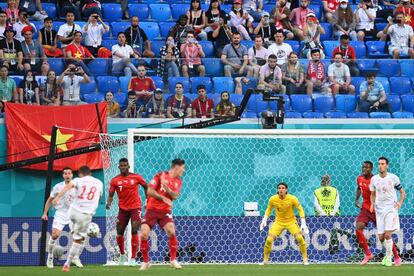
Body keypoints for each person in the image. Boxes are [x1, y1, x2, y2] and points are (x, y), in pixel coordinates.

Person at [52, 165, 103, 272]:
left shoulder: (78, 180)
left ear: (80, 174)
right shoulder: (99, 183)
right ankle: (67, 263)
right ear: (90, 173)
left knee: (77, 236)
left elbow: (67, 186)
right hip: (85, 215)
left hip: (72, 212)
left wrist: (57, 197)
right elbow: (99, 197)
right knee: (78, 240)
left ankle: (74, 234)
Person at [139, 159, 186, 271]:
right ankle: (146, 262)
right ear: (176, 167)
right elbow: (149, 191)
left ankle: (173, 260)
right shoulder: (160, 175)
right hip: (151, 209)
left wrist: (167, 188)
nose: (183, 170)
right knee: (144, 234)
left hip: (165, 211)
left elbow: (175, 196)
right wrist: (163, 197)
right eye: (183, 168)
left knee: (171, 231)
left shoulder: (178, 181)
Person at [355, 161, 401, 266]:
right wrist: (356, 200)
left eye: (367, 167)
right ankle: (368, 254)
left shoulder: (375, 179)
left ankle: (396, 256)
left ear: (371, 169)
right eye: (363, 167)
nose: (364, 169)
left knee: (385, 236)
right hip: (366, 209)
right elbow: (359, 188)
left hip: (377, 210)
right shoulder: (359, 178)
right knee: (358, 227)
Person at [106, 158, 147, 266]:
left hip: (135, 208)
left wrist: (147, 200)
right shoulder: (114, 180)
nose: (123, 167)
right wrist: (109, 203)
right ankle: (122, 255)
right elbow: (111, 195)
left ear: (128, 166)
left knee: (134, 229)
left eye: (125, 165)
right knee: (119, 233)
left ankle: (133, 258)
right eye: (121, 166)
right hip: (123, 209)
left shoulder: (136, 177)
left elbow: (146, 187)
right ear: (119, 167)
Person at [41, 167, 83, 269]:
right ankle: (50, 256)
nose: (67, 175)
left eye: (69, 173)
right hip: (61, 213)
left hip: (73, 214)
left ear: (72, 175)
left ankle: (76, 257)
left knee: (79, 237)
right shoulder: (58, 187)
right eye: (65, 173)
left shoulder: (77, 186)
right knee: (55, 235)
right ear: (63, 175)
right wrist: (45, 213)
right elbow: (49, 200)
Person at [259, 182, 309, 265]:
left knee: (300, 239)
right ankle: (265, 261)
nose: (281, 190)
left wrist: (303, 222)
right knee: (269, 240)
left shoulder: (292, 198)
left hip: (291, 222)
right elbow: (269, 209)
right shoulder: (273, 199)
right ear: (277, 190)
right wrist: (264, 219)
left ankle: (305, 259)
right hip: (278, 222)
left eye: (283, 188)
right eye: (279, 188)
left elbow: (300, 209)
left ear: (286, 190)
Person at [369, 157, 406, 267]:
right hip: (379, 210)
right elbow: (372, 194)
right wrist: (372, 204)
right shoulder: (374, 179)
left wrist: (400, 203)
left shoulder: (393, 178)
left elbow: (403, 193)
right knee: (381, 237)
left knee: (387, 234)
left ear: (387, 165)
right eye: (379, 164)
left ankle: (390, 258)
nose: (380, 166)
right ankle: (388, 254)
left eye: (383, 164)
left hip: (391, 209)